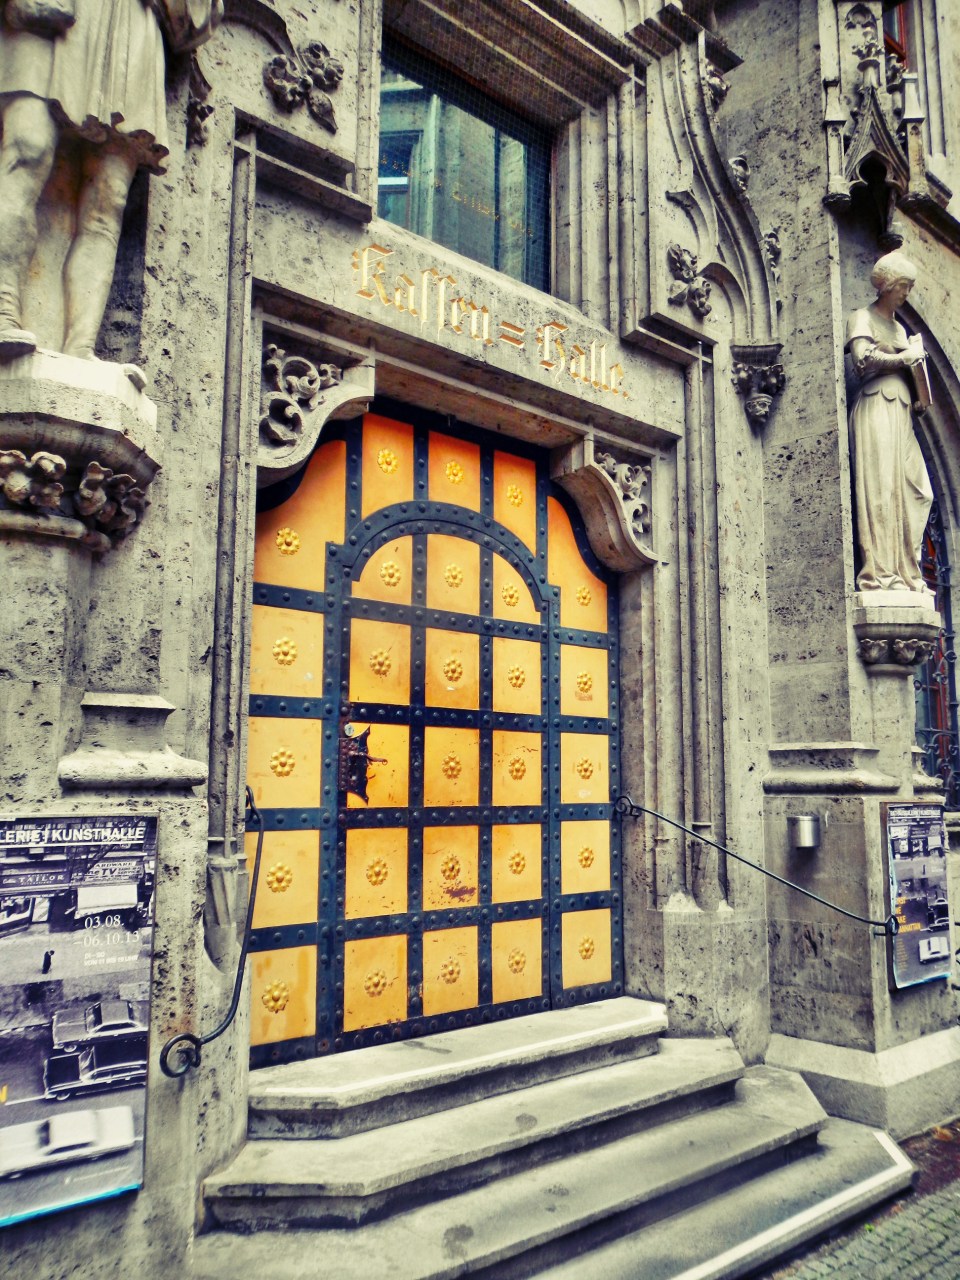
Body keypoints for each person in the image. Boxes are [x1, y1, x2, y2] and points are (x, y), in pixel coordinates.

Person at [0, 0, 222, 379]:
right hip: (54, 16)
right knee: (27, 149)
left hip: (128, 24)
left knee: (108, 196)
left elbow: (202, 14)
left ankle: (80, 348)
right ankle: (3, 309)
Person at [845, 251, 933, 596]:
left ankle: (909, 574)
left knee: (917, 490)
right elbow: (862, 360)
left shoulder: (898, 327)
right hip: (876, 405)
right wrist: (903, 358)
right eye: (904, 287)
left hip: (900, 410)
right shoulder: (862, 318)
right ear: (888, 287)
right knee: (880, 489)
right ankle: (881, 575)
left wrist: (919, 392)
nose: (907, 293)